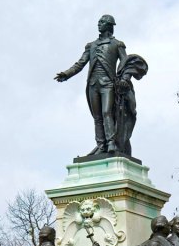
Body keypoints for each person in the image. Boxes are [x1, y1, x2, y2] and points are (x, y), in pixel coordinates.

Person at [55, 15, 131, 155]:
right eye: (99, 22)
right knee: (97, 117)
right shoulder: (91, 45)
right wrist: (66, 74)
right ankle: (101, 145)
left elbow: (125, 62)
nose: (99, 24)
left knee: (107, 112)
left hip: (108, 83)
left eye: (102, 22)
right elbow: (80, 64)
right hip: (92, 84)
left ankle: (111, 143)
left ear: (109, 25)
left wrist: (125, 78)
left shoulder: (117, 44)